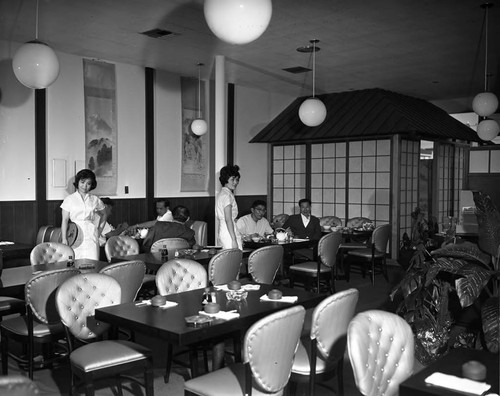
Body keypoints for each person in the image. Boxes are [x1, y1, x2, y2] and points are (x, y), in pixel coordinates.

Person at [61, 169, 107, 260]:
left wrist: (99, 231)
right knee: (74, 263)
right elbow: (65, 220)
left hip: (91, 235)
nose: (85, 186)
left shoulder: (95, 199)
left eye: (88, 183)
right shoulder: (69, 199)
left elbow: (104, 215)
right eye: (82, 182)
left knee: (93, 262)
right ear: (77, 182)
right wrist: (64, 238)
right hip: (74, 235)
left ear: (92, 185)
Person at [215, 164, 242, 250]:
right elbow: (228, 219)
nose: (235, 182)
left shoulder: (223, 194)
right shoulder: (227, 196)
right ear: (225, 180)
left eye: (237, 180)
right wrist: (234, 240)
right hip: (229, 232)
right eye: (232, 179)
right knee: (233, 259)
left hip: (226, 230)